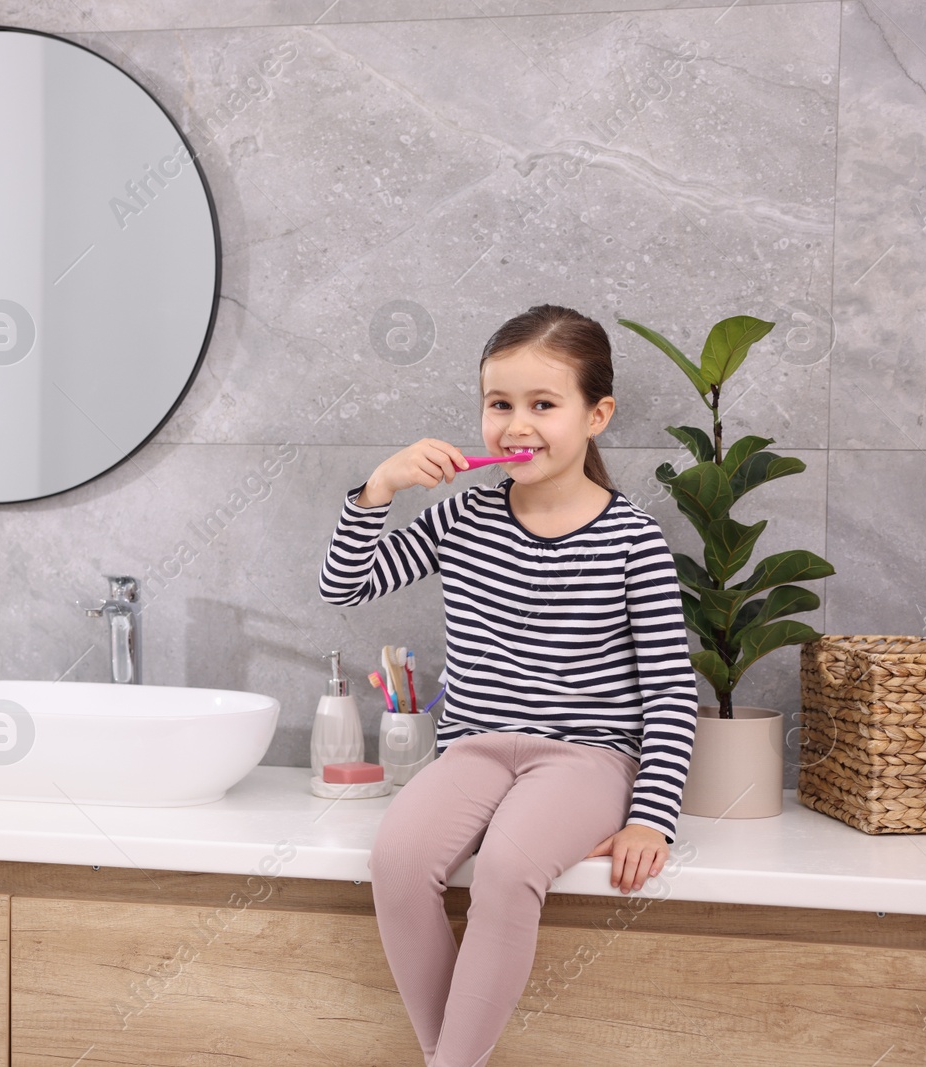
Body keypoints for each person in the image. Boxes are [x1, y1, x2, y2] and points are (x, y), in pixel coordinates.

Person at [317, 303, 698, 1066]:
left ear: (598, 415)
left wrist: (652, 818)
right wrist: (380, 487)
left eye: (543, 405)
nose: (516, 425)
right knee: (395, 861)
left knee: (506, 868)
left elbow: (669, 691)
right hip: (474, 749)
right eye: (500, 404)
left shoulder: (633, 541)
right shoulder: (464, 513)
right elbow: (344, 585)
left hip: (586, 757)